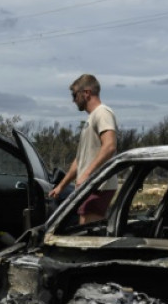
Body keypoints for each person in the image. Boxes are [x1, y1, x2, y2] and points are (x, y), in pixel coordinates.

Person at [49, 73, 119, 224]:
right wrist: (61, 186)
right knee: (86, 232)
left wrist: (87, 174)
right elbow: (80, 160)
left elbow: (110, 146)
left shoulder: (102, 112)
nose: (73, 100)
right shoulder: (91, 118)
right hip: (92, 185)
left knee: (87, 236)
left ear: (86, 93)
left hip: (99, 186)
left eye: (75, 95)